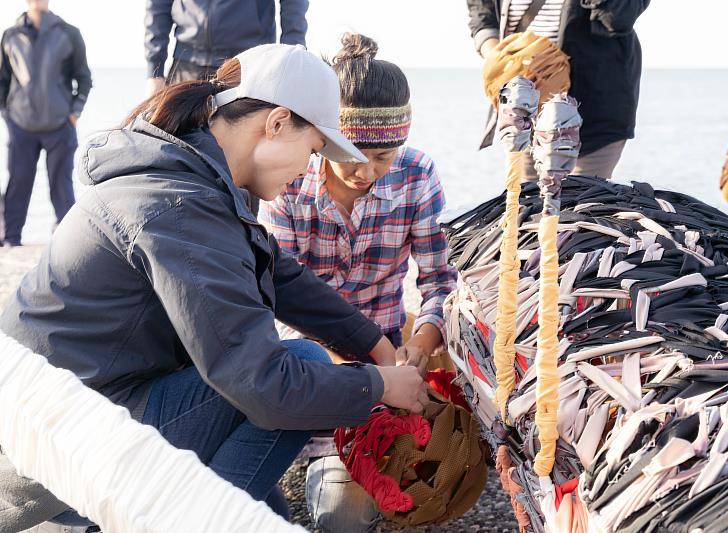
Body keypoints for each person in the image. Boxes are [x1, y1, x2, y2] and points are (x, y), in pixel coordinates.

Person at [0, 43, 428, 531]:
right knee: (298, 369)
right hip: (47, 455)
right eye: (312, 151)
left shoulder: (187, 174)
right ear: (278, 123)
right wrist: (378, 385)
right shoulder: (178, 206)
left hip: (60, 416)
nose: (307, 170)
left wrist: (371, 343)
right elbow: (263, 385)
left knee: (269, 514)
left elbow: (276, 272)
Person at [260, 33, 457, 532]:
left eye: (385, 158)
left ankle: (330, 468)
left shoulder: (417, 177)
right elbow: (270, 301)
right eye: (351, 153)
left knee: (344, 518)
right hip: (298, 367)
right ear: (324, 135)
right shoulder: (288, 181)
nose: (365, 172)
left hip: (388, 361)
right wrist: (355, 372)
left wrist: (419, 344)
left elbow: (440, 283)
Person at [466, 0, 649, 180]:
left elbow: (619, 18)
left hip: (595, 114)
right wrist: (499, 59)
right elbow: (482, 12)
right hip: (525, 111)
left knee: (584, 204)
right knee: (526, 204)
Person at [0, 0, 91, 247]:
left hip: (59, 126)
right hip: (21, 126)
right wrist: (8, 117)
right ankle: (10, 240)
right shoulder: (10, 35)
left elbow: (84, 78)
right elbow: (3, 81)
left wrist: (74, 113)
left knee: (61, 187)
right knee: (18, 183)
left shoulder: (69, 33)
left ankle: (71, 241)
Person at [144, 0, 309, 96]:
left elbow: (294, 4)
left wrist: (292, 56)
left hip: (247, 65)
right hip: (187, 64)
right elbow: (157, 5)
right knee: (177, 144)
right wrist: (154, 72)